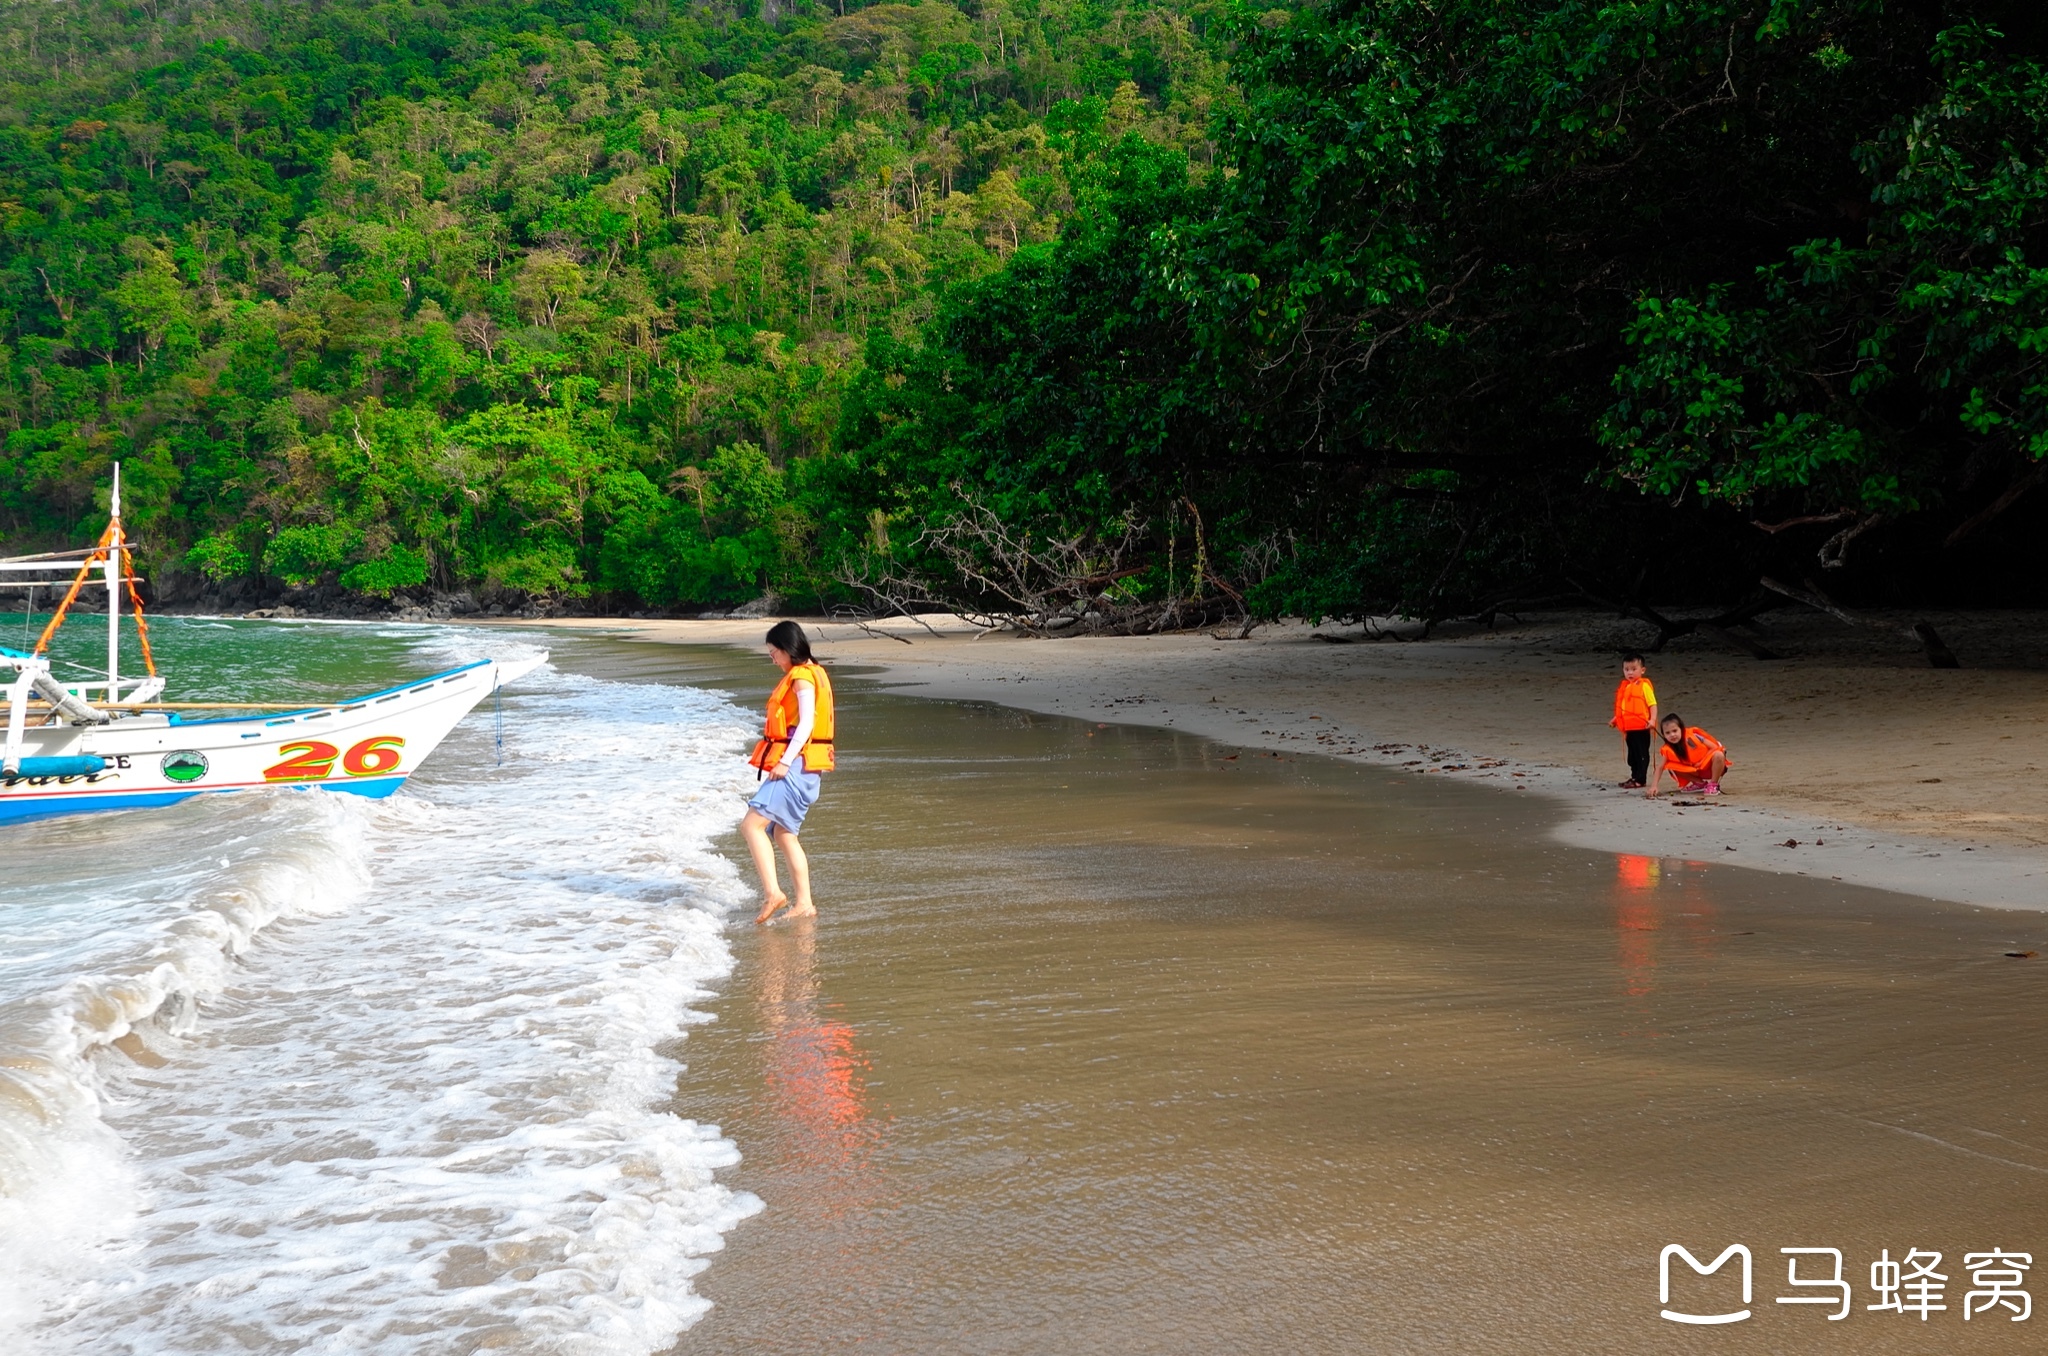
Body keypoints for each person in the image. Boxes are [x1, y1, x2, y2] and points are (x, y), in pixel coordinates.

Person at [741, 620, 836, 924]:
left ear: (787, 649)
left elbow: (806, 724)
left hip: (796, 765)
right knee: (783, 833)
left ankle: (773, 894)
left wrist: (784, 761)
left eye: (773, 653)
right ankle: (804, 903)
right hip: (808, 768)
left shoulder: (803, 678)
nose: (773, 660)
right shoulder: (813, 672)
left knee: (751, 826)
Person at [1609, 652, 1660, 789]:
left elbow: (1652, 704)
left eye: (1633, 669)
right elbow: (1624, 707)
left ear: (1642, 670)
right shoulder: (1625, 687)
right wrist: (1616, 719)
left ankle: (1640, 779)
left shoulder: (1644, 686)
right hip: (1629, 728)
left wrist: (1652, 720)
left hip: (1642, 726)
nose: (1630, 673)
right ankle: (1634, 776)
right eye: (1626, 669)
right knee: (1632, 755)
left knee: (1642, 753)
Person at [1647, 714, 1729, 797]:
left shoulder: (1693, 736)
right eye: (1667, 733)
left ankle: (1713, 785)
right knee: (1670, 766)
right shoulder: (1667, 749)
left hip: (1710, 769)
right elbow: (1660, 767)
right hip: (1694, 772)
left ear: (1681, 730)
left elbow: (1715, 747)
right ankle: (1699, 784)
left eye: (1675, 731)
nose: (1672, 735)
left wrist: (1701, 762)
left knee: (1719, 754)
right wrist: (1654, 786)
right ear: (1664, 735)